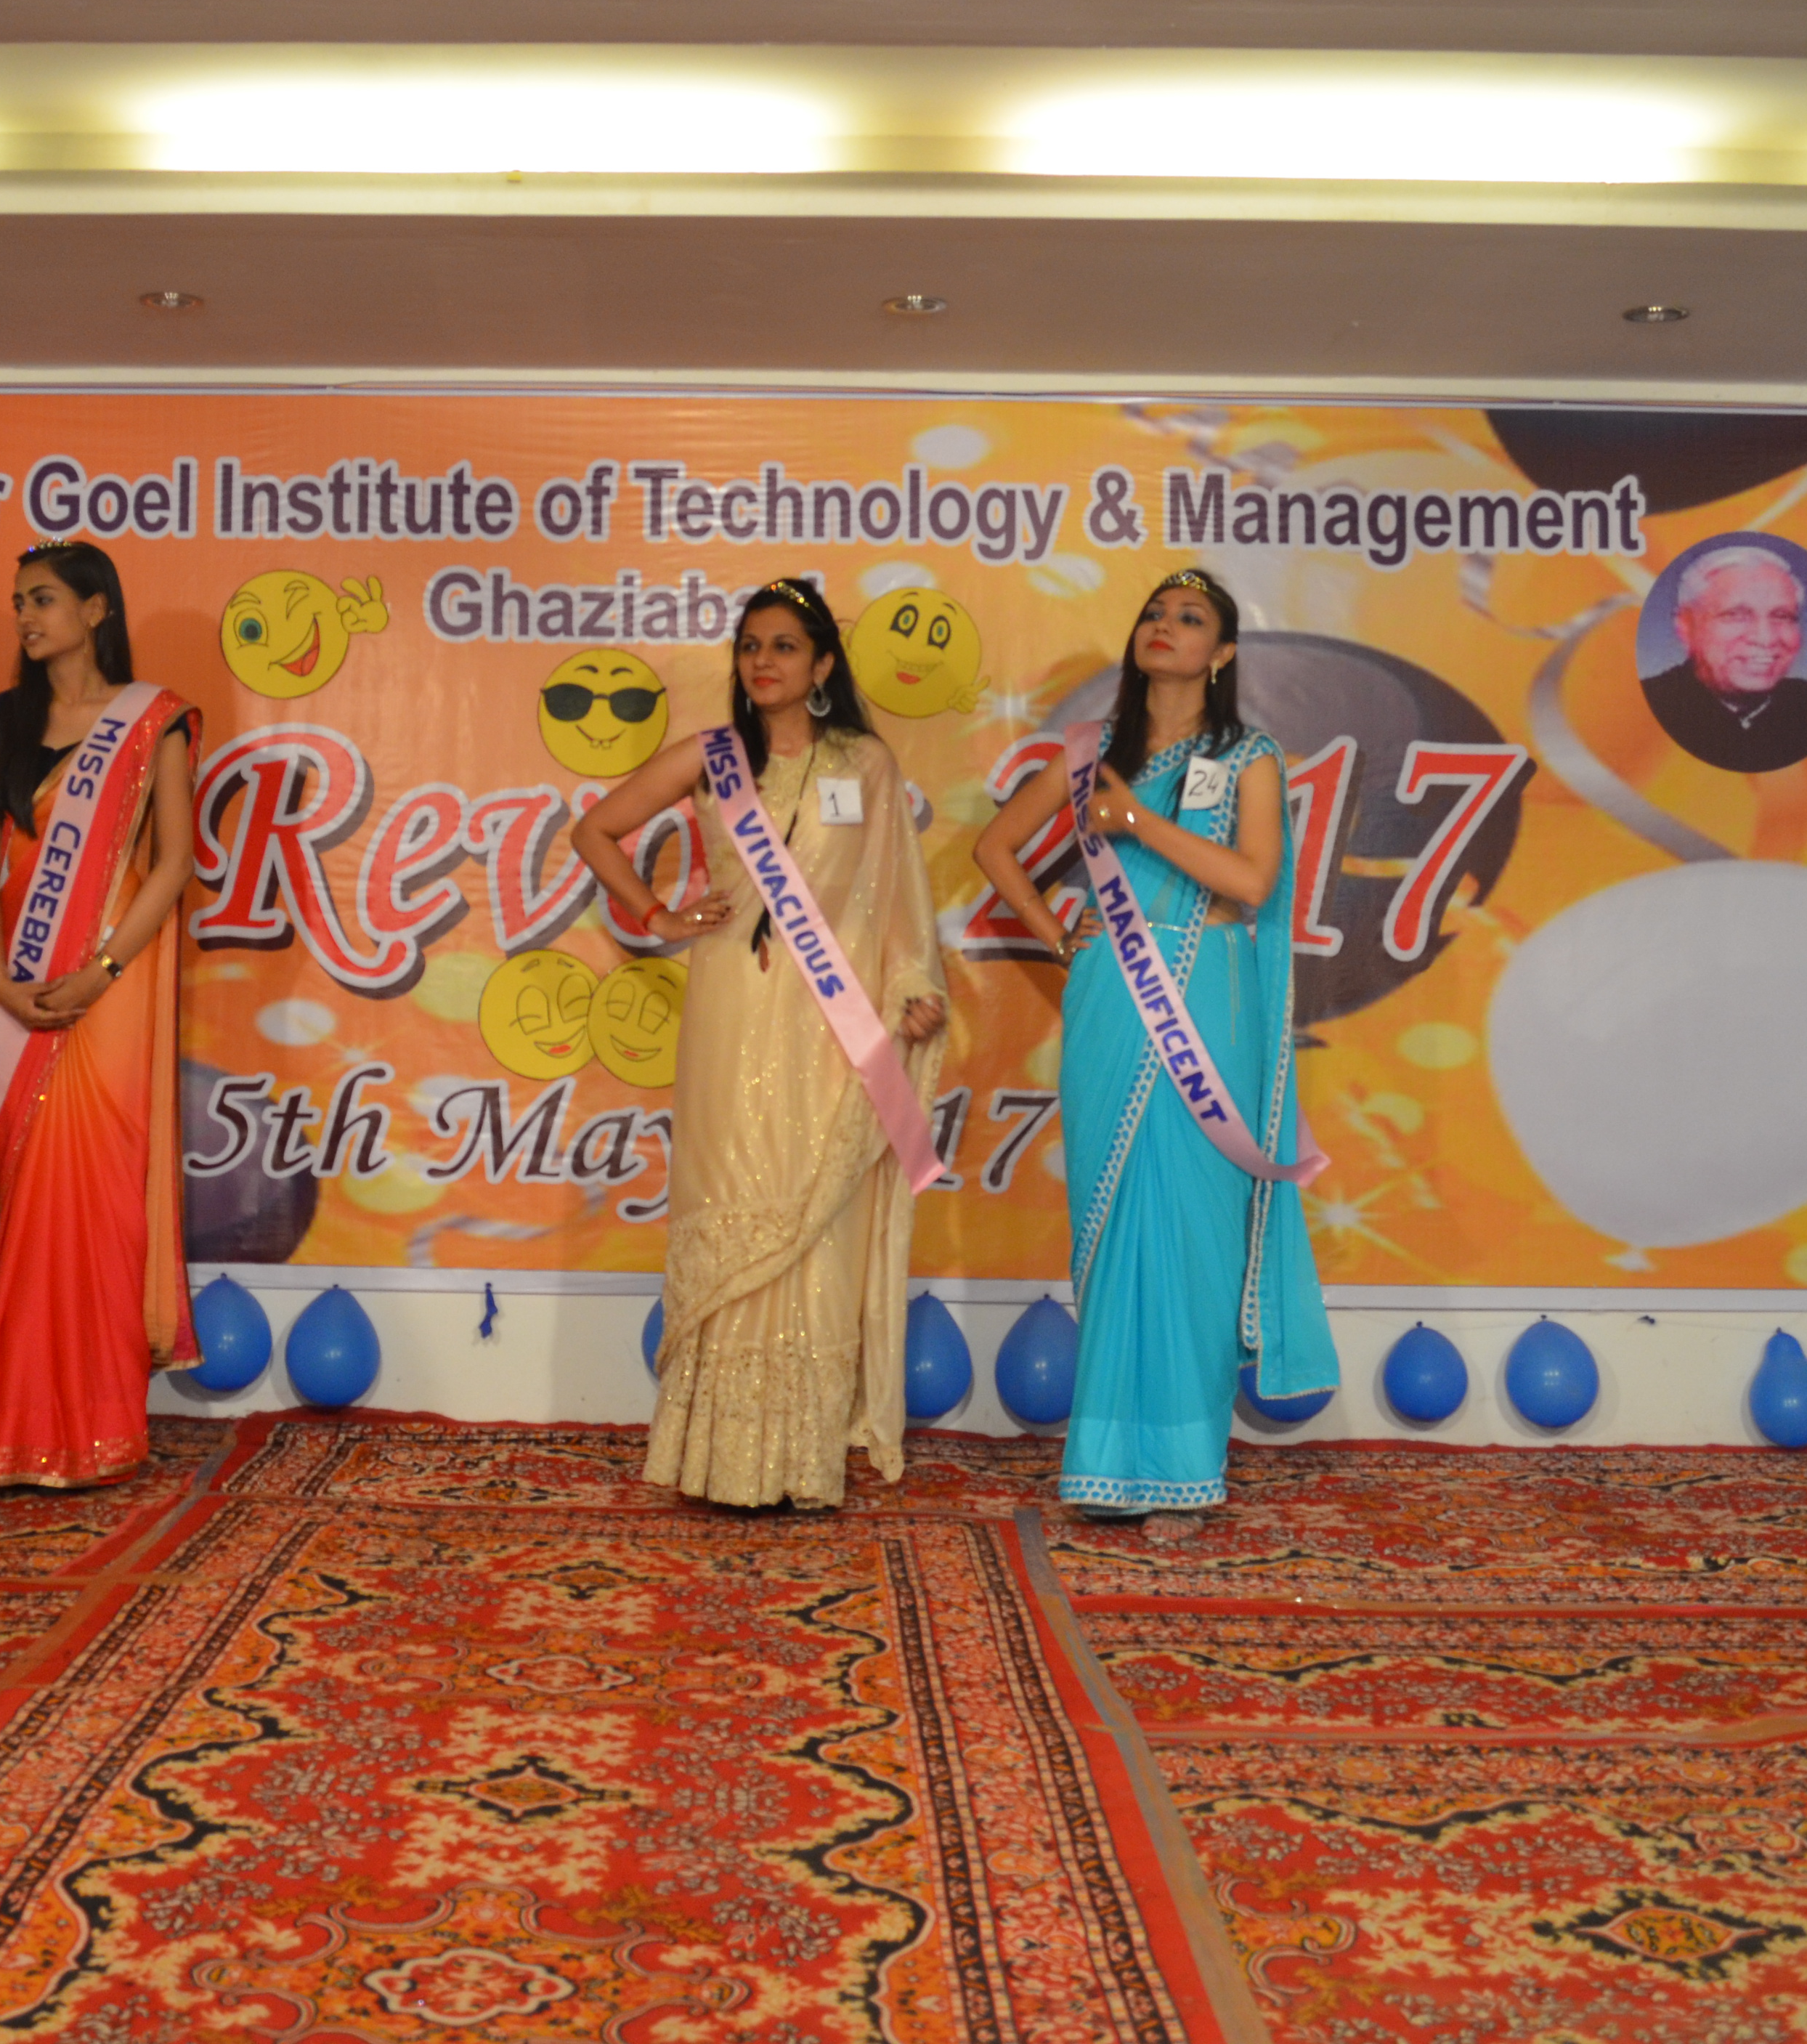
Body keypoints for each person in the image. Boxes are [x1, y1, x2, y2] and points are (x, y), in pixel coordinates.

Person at [573, 577, 947, 1511]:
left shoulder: (865, 763)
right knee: (733, 1196)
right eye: (750, 646)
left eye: (783, 646)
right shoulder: (712, 759)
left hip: (832, 1019)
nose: (762, 662)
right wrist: (657, 913)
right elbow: (595, 830)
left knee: (814, 1212)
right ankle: (719, 1460)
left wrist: (911, 986)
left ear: (821, 665)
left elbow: (894, 893)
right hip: (733, 1008)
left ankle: (797, 1460)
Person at [970, 568, 1337, 1516]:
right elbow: (994, 849)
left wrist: (1134, 820)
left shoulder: (1250, 755)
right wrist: (1058, 937)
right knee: (1112, 1220)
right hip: (1110, 998)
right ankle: (1106, 1463)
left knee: (1195, 1229)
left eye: (1189, 618)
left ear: (1222, 653)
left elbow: (1251, 881)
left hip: (1208, 997)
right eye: (1153, 614)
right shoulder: (1089, 754)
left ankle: (1182, 1466)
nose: (1164, 627)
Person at [0, 540, 200, 1488]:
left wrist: (100, 971)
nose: (26, 616)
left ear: (96, 609)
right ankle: (17, 1428)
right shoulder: (7, 718)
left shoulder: (154, 720)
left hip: (108, 987)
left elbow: (172, 863)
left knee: (97, 1202)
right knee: (28, 1201)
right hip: (18, 983)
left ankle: (97, 1428)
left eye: (45, 599)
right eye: (19, 601)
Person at [1640, 542, 1807, 773]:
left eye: (1782, 616)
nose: (1766, 638)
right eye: (1736, 615)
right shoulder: (1650, 708)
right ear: (1686, 627)